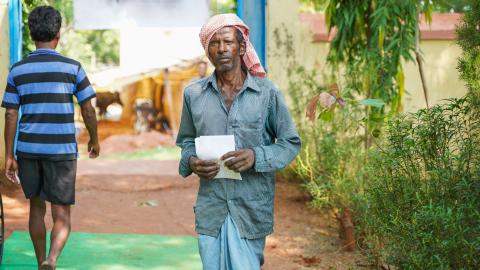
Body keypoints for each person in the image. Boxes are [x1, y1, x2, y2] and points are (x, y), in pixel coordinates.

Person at [176, 13, 300, 270]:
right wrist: (192, 161)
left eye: (227, 42)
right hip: (212, 208)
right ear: (207, 51)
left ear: (241, 48)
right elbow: (187, 141)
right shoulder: (194, 94)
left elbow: (289, 143)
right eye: (214, 43)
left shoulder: (267, 94)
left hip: (251, 208)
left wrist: (256, 156)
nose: (221, 48)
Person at [2, 6, 99, 270]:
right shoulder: (73, 68)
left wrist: (9, 155)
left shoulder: (17, 70)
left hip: (29, 150)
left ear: (32, 34)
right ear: (58, 34)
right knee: (61, 212)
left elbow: (11, 114)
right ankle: (52, 259)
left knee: (36, 208)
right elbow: (88, 108)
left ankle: (39, 262)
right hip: (61, 151)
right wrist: (94, 139)